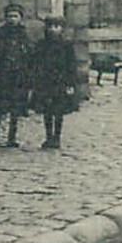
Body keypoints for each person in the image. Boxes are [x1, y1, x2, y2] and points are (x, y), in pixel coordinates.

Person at [0, 3, 33, 149]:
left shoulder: (24, 35)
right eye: (9, 16)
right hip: (2, 77)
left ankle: (12, 137)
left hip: (18, 77)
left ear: (21, 18)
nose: (12, 19)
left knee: (15, 109)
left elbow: (29, 54)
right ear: (5, 18)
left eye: (15, 16)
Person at [30, 15, 78, 150]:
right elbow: (35, 64)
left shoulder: (67, 46)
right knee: (47, 111)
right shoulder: (41, 45)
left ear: (62, 29)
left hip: (60, 82)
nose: (53, 30)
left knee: (58, 111)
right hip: (45, 82)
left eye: (56, 27)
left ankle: (56, 137)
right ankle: (48, 136)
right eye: (50, 26)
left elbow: (71, 66)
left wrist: (70, 84)